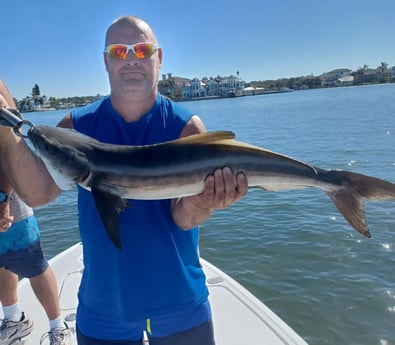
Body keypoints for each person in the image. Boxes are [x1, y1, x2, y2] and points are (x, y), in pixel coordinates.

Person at [0, 15, 248, 345]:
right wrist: (6, 126)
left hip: (180, 303)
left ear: (158, 58)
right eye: (119, 51)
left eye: (141, 50)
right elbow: (38, 194)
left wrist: (205, 201)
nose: (130, 59)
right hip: (103, 306)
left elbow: (186, 219)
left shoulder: (187, 128)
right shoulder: (74, 126)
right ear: (105, 60)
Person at [0, 92, 71, 345]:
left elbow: (8, 146)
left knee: (33, 263)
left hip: (7, 200)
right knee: (1, 262)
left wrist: (2, 201)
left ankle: (58, 327)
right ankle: (13, 318)